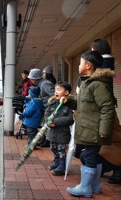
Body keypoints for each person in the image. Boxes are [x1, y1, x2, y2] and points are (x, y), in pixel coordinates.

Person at [60, 51, 116, 198]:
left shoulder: (97, 85)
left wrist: (104, 130)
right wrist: (68, 101)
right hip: (89, 130)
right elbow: (79, 103)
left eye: (80, 62)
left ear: (88, 65)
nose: (78, 65)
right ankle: (95, 186)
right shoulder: (87, 83)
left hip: (94, 130)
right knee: (92, 157)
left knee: (88, 157)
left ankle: (85, 188)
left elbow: (107, 108)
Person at [45, 81, 74, 176]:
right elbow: (47, 115)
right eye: (55, 90)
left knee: (61, 149)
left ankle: (62, 166)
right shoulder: (52, 103)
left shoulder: (69, 104)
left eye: (59, 89)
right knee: (53, 148)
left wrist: (55, 122)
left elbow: (70, 119)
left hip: (62, 132)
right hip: (52, 131)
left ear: (66, 92)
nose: (56, 92)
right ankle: (56, 162)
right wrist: (48, 122)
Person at [28, 68, 55, 147]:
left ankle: (48, 141)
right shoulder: (41, 84)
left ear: (34, 78)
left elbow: (54, 95)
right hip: (46, 107)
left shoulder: (44, 84)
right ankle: (46, 140)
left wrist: (50, 105)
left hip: (50, 107)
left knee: (47, 124)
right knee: (45, 124)